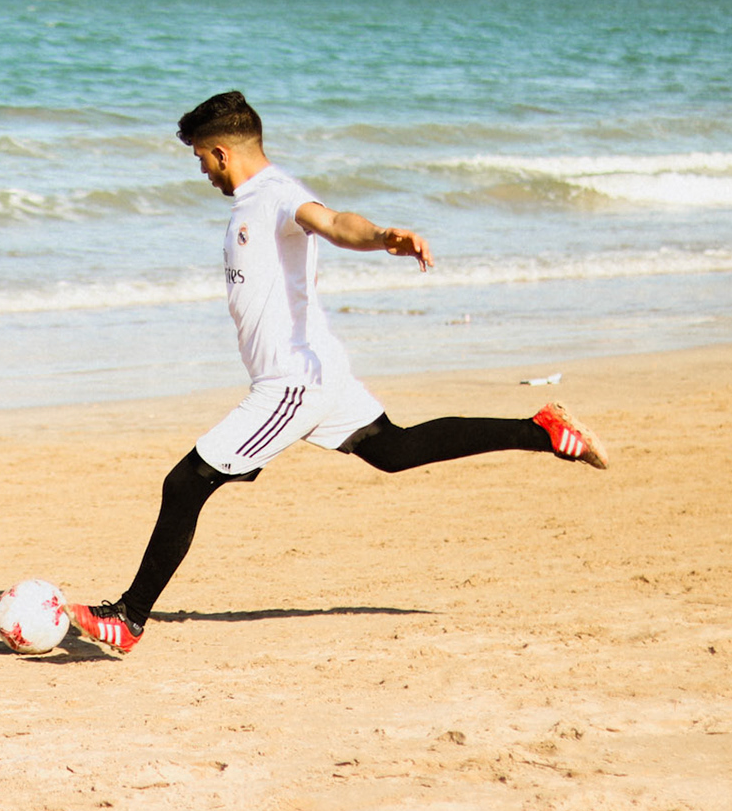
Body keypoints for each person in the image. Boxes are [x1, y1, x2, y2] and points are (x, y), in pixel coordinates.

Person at [68, 91, 603, 653]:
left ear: (222, 152)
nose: (200, 170)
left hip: (293, 382)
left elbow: (333, 222)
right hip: (320, 370)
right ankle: (541, 430)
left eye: (200, 158)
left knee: (185, 484)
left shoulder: (276, 195)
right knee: (394, 450)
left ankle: (127, 618)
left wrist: (380, 238)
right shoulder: (254, 201)